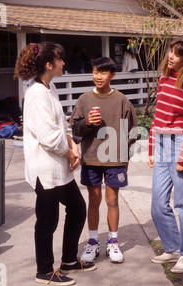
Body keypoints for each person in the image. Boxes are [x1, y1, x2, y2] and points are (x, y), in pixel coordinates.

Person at [14, 42, 95, 286]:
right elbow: (48, 136)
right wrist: (70, 153)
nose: (63, 63)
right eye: (60, 60)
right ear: (49, 64)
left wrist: (73, 144)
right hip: (45, 168)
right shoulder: (36, 94)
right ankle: (44, 271)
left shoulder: (50, 88)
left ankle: (69, 260)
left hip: (58, 166)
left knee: (78, 208)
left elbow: (60, 125)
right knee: (48, 220)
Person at [71, 57, 138, 264]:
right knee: (93, 200)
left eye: (103, 73)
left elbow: (132, 131)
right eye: (95, 72)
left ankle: (113, 241)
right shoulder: (84, 99)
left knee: (112, 200)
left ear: (112, 75)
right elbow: (74, 129)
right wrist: (87, 123)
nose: (98, 77)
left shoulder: (122, 101)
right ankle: (92, 242)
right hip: (91, 158)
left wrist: (126, 155)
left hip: (114, 159)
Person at [147, 38, 183, 274]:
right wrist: (151, 146)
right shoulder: (163, 79)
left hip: (182, 144)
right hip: (161, 142)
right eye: (170, 52)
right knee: (158, 204)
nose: (170, 56)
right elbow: (158, 115)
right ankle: (172, 249)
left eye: (177, 54)